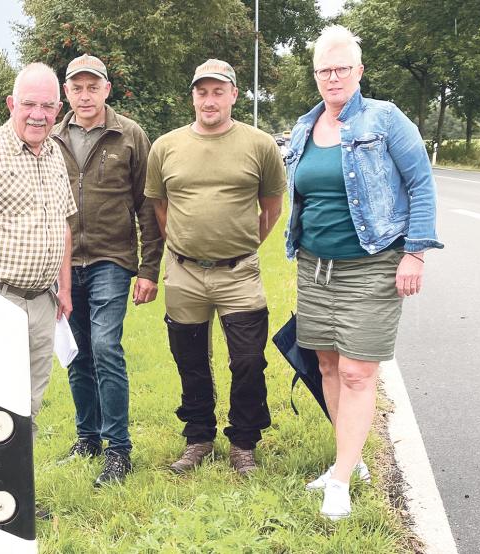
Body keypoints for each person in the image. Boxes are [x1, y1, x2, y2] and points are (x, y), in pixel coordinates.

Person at [284, 25, 443, 520]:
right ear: (315, 75)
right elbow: (302, 195)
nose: (332, 78)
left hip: (372, 265)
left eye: (341, 69)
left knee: (358, 371)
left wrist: (415, 253)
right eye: (324, 70)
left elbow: (421, 184)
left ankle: (339, 483)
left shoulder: (386, 119)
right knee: (328, 366)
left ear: (358, 71)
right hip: (314, 267)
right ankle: (346, 462)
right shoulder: (303, 128)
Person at [146, 59, 285, 477]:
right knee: (190, 358)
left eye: (218, 91)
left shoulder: (260, 145)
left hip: (239, 273)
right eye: (202, 92)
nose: (209, 100)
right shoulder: (165, 147)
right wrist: (189, 245)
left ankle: (243, 442)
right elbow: (159, 207)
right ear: (193, 96)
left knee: (247, 359)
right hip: (184, 272)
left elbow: (272, 207)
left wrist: (237, 247)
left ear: (234, 95)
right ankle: (199, 437)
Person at [50, 54, 163, 486]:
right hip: (61, 264)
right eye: (76, 87)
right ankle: (88, 437)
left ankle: (119, 449)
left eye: (92, 87)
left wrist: (150, 268)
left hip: (111, 260)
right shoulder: (53, 136)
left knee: (104, 346)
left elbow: (147, 206)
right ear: (67, 92)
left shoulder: (129, 135)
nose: (84, 95)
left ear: (106, 90)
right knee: (76, 353)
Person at [0, 63, 77, 443]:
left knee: (28, 408)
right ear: (11, 104)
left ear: (58, 110)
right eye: (29, 104)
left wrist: (65, 289)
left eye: (47, 106)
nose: (38, 115)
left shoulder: (55, 154)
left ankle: (17, 500)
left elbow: (63, 225)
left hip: (42, 303)